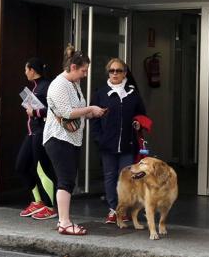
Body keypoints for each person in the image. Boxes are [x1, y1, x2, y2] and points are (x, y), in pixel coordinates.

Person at [43, 44, 107, 236]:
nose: (85, 74)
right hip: (58, 138)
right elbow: (67, 112)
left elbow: (76, 112)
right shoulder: (58, 84)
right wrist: (89, 109)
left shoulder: (74, 83)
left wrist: (92, 113)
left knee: (68, 179)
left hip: (70, 138)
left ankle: (64, 220)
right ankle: (64, 222)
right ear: (73, 67)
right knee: (66, 179)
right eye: (83, 70)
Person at [91, 58, 148, 224]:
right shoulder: (100, 93)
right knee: (109, 177)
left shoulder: (132, 94)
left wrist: (138, 123)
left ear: (125, 74)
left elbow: (143, 115)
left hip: (128, 144)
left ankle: (123, 210)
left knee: (126, 178)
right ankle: (113, 210)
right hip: (107, 145)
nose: (115, 73)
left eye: (118, 71)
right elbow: (93, 119)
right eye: (112, 71)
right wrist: (99, 139)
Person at [15, 57, 58, 220]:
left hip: (42, 132)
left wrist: (36, 112)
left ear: (32, 70)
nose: (25, 72)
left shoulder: (47, 86)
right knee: (21, 166)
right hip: (31, 132)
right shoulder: (34, 88)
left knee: (42, 169)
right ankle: (37, 201)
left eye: (26, 69)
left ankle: (50, 206)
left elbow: (54, 109)